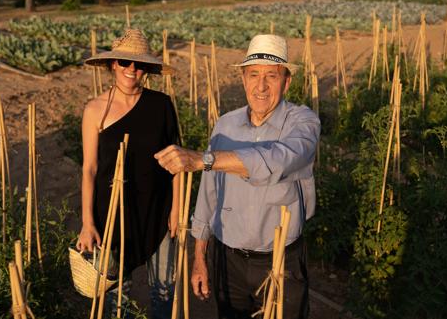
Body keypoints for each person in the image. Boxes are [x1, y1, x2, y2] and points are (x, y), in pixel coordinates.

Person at [155, 34, 320, 319]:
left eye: (272, 75)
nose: (261, 86)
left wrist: (204, 159)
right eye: (253, 74)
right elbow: (209, 194)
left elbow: (279, 160)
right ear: (243, 79)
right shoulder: (226, 125)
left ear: (287, 81)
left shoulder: (303, 122)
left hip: (280, 261)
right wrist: (199, 259)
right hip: (228, 259)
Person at [76, 28, 180, 319]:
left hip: (158, 209)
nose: (131, 70)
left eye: (139, 64)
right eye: (125, 62)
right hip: (112, 212)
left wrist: (176, 210)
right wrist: (87, 223)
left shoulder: (161, 105)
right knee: (116, 293)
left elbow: (177, 161)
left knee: (164, 289)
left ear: (146, 69)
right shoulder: (95, 110)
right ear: (113, 65)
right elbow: (90, 168)